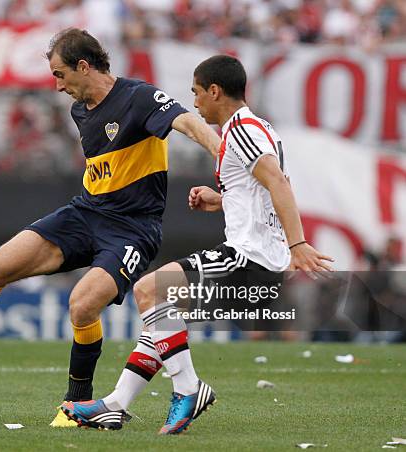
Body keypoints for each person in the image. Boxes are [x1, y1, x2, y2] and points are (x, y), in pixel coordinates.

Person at [0, 28, 221, 427]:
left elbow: (187, 123)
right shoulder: (80, 111)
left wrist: (222, 153)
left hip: (132, 229)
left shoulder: (139, 97)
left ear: (84, 66)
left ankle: (77, 405)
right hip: (85, 214)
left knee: (82, 305)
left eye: (60, 74)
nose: (57, 86)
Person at [61, 55, 334, 434]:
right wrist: (222, 199)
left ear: (215, 91)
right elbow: (261, 188)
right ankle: (115, 404)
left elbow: (279, 184)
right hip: (258, 259)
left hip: (248, 258)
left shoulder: (240, 130)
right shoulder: (261, 128)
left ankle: (189, 390)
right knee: (161, 323)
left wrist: (299, 243)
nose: (194, 102)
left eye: (196, 93)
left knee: (147, 289)